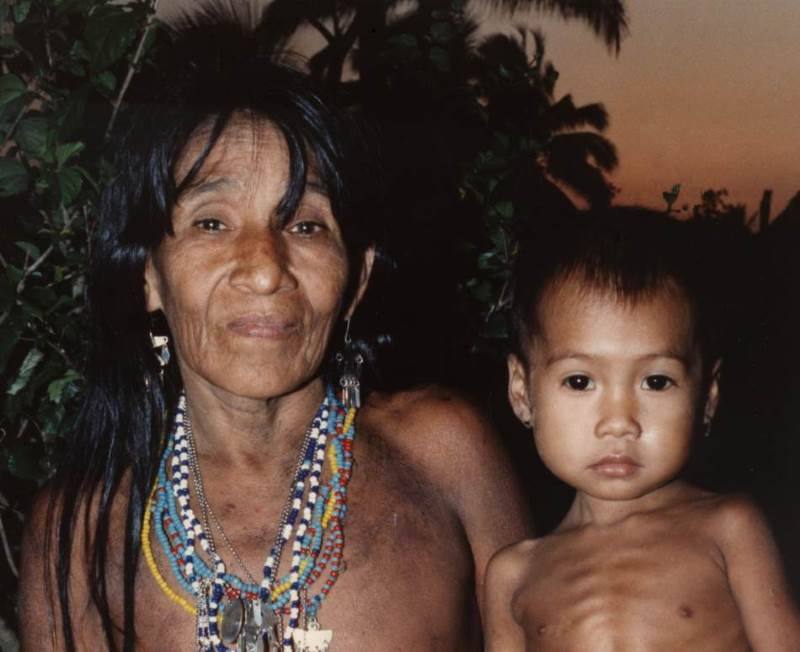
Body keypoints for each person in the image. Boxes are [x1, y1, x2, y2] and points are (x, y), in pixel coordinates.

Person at [18, 22, 530, 652]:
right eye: (212, 222)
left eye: (306, 226)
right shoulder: (80, 532)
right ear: (148, 276)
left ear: (358, 278)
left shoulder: (446, 451)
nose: (264, 269)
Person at [484, 208, 800, 651]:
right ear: (522, 392)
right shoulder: (513, 574)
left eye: (656, 381)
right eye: (580, 381)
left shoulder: (728, 527)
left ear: (707, 397)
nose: (619, 422)